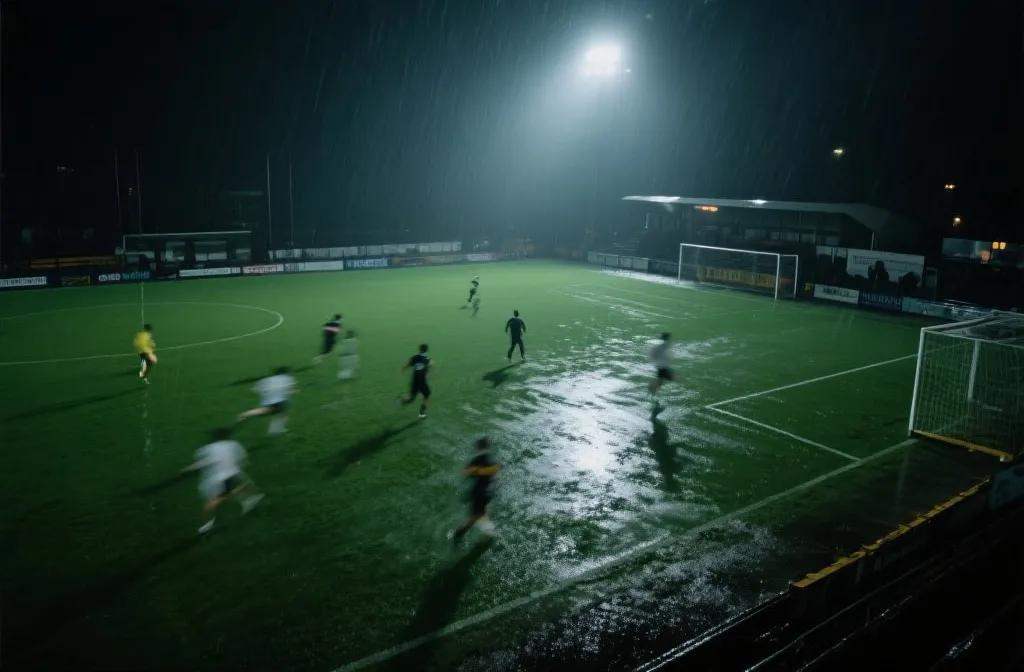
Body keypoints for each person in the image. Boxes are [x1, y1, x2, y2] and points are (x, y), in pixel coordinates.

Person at [183, 428, 263, 534]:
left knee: (213, 501)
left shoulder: (207, 449)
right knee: (226, 494)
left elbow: (204, 462)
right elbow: (242, 459)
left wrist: (189, 468)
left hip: (217, 479)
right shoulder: (234, 445)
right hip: (232, 474)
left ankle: (208, 524)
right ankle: (247, 496)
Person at [453, 437, 500, 543]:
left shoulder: (477, 459)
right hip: (483, 492)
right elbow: (497, 475)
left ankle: (487, 529)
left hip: (478, 491)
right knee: (474, 517)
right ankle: (458, 534)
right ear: (489, 447)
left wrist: (477, 472)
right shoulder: (491, 460)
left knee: (483, 511)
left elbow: (465, 472)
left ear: (479, 448)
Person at [237, 366, 298, 435]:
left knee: (279, 413)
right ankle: (245, 414)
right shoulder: (288, 378)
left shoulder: (267, 379)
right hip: (278, 400)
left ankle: (276, 429)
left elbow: (255, 389)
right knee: (270, 412)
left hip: (267, 399)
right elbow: (292, 391)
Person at [397, 343, 432, 419]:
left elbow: (406, 364)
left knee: (411, 398)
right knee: (427, 395)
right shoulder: (427, 358)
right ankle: (422, 413)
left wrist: (403, 370)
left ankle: (400, 400)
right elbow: (431, 364)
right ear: (427, 350)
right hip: (422, 381)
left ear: (419, 349)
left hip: (414, 380)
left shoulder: (415, 357)